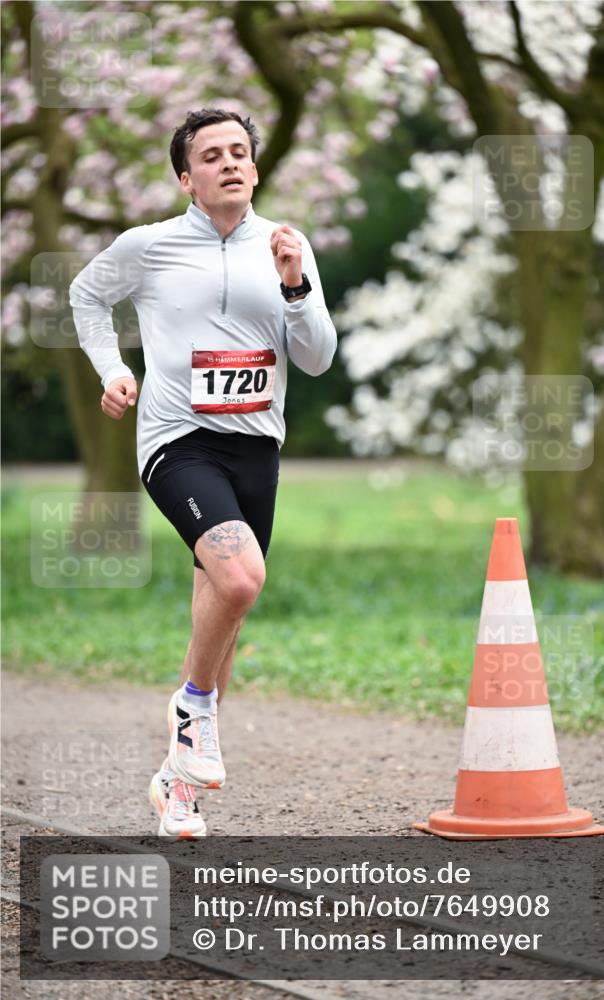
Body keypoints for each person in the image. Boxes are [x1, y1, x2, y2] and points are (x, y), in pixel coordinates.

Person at [70, 108, 337, 837]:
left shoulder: (286, 245)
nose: (230, 162)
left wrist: (294, 285)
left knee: (222, 613)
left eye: (240, 152)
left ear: (253, 168)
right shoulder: (148, 246)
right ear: (187, 178)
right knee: (242, 577)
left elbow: (315, 358)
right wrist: (112, 368)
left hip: (256, 445)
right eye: (212, 155)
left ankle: (176, 785)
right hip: (176, 440)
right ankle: (193, 704)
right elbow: (86, 296)